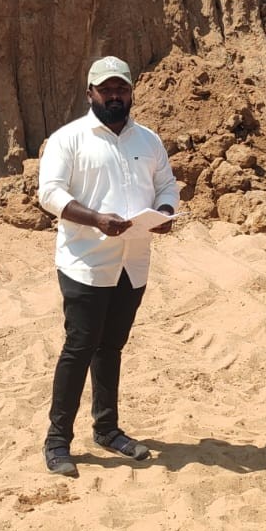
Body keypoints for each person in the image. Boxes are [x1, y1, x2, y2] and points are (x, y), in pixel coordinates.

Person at [37, 56, 179, 476]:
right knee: (79, 348)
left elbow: (166, 185)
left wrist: (165, 211)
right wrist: (97, 219)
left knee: (111, 347)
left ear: (131, 92)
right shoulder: (69, 139)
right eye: (106, 89)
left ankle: (107, 429)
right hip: (86, 262)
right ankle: (57, 441)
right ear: (90, 93)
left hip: (132, 263)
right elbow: (50, 193)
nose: (114, 96)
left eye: (121, 89)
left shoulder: (148, 140)